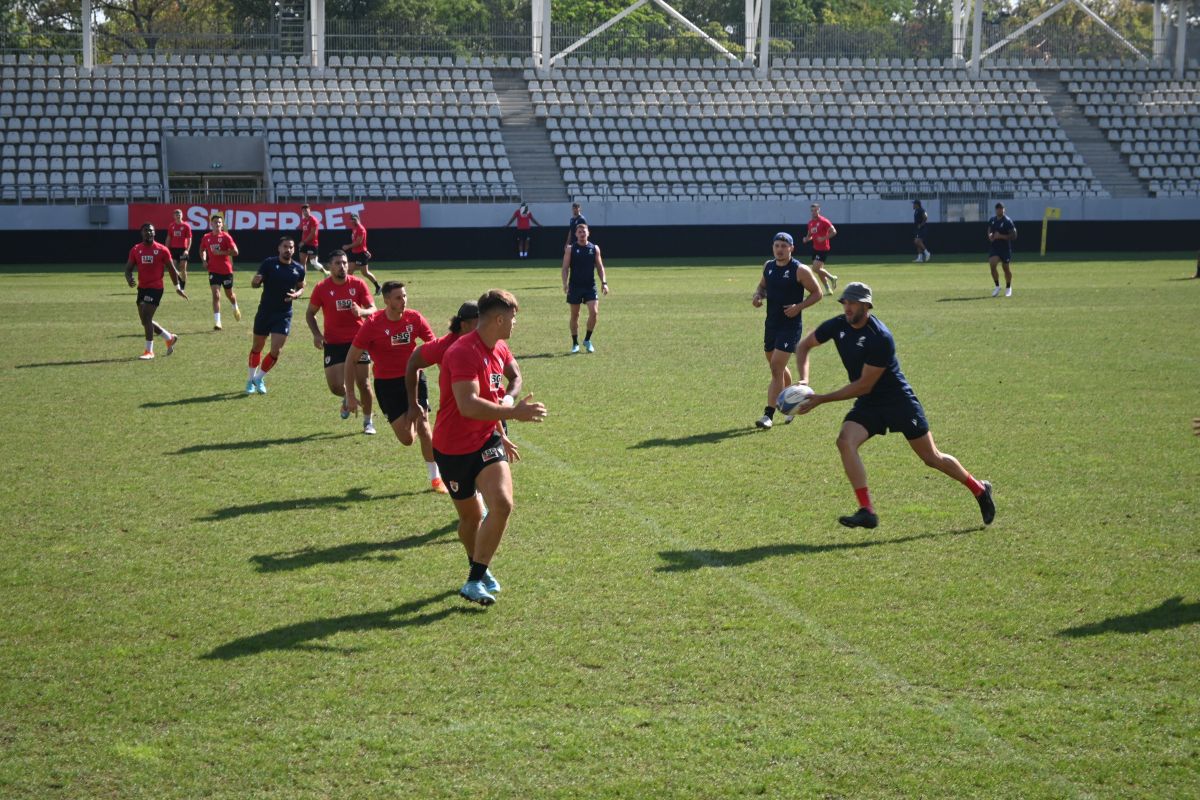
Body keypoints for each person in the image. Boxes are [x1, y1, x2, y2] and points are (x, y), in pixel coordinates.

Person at [794, 281, 995, 529]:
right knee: (845, 441)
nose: (846, 306)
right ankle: (867, 510)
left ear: (866, 305)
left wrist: (822, 399)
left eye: (852, 302)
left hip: (897, 401)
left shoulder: (880, 338)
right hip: (870, 404)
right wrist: (804, 380)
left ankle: (979, 489)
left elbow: (863, 385)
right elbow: (804, 346)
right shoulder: (838, 325)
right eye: (845, 301)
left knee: (931, 458)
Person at [431, 289, 546, 606]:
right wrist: (513, 412)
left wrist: (508, 400)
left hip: (486, 440)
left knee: (503, 504)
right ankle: (477, 567)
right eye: (513, 317)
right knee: (470, 519)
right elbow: (467, 406)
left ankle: (473, 579)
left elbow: (514, 377)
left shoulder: (499, 347)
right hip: (453, 448)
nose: (515, 323)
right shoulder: (462, 352)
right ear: (498, 318)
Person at [344, 281, 447, 492]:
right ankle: (412, 417)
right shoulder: (372, 324)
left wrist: (449, 376)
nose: (404, 301)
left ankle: (436, 479)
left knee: (424, 427)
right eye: (398, 297)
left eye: (405, 296)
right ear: (386, 300)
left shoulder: (414, 318)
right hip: (386, 385)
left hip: (414, 379)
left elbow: (435, 348)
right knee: (407, 439)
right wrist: (350, 395)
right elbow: (350, 360)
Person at [406, 300, 523, 444]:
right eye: (479, 323)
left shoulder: (497, 344)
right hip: (459, 427)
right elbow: (413, 362)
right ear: (464, 325)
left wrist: (507, 400)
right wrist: (412, 403)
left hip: (493, 418)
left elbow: (516, 376)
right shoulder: (445, 346)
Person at [750, 232, 823, 429]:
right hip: (771, 324)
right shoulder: (769, 266)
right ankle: (793, 399)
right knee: (777, 368)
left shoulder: (800, 270)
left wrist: (798, 307)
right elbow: (762, 286)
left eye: (784, 245)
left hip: (790, 326)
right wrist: (758, 296)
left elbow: (818, 293)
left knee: (775, 368)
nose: (779, 249)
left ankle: (768, 415)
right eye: (776, 245)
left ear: (791, 248)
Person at [304, 249, 377, 434]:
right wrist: (316, 334)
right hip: (333, 342)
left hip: (358, 340)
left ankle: (368, 422)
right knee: (336, 386)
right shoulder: (321, 288)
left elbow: (373, 308)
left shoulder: (358, 284)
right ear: (330, 266)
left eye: (344, 263)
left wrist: (362, 312)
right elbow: (310, 313)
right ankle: (347, 397)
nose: (342, 266)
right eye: (337, 263)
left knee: (365, 384)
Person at [246, 236, 307, 394]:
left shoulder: (298, 269)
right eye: (285, 246)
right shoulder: (269, 263)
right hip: (265, 311)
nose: (288, 250)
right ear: (279, 248)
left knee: (276, 351)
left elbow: (302, 286)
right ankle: (250, 380)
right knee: (257, 347)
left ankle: (259, 378)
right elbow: (255, 284)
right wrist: (255, 281)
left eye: (291, 247)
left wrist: (297, 294)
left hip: (284, 314)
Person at [125, 223, 187, 359]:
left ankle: (149, 351)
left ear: (155, 233)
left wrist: (177, 288)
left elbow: (171, 269)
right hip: (142, 288)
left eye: (151, 231)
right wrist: (129, 278)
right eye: (146, 231)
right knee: (145, 320)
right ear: (142, 233)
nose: (148, 233)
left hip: (156, 288)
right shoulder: (136, 250)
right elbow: (128, 268)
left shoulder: (162, 250)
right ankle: (168, 337)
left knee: (147, 318)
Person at [562, 221, 609, 353]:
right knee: (575, 315)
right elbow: (565, 268)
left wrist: (604, 283)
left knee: (594, 313)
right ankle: (575, 343)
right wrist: (565, 284)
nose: (582, 234)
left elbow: (600, 267)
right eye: (579, 232)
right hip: (575, 286)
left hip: (590, 286)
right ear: (576, 234)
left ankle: (587, 340)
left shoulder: (594, 248)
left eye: (584, 231)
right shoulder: (571, 249)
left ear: (588, 233)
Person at [199, 213, 242, 331]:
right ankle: (218, 322)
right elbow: (202, 249)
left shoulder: (226, 237)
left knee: (230, 295)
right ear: (211, 224)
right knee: (216, 295)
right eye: (215, 222)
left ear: (222, 225)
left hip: (226, 270)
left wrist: (222, 253)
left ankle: (235, 306)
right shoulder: (206, 237)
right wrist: (203, 260)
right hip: (213, 270)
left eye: (219, 222)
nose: (217, 224)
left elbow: (236, 252)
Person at [802, 202, 840, 294]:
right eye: (812, 211)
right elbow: (810, 235)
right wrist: (806, 239)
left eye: (815, 210)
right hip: (815, 248)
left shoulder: (824, 221)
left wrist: (824, 238)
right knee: (819, 270)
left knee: (815, 269)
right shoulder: (810, 223)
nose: (814, 212)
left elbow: (834, 232)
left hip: (823, 248)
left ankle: (832, 278)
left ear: (819, 210)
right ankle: (828, 289)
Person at [987, 202, 1018, 297]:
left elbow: (1014, 236)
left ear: (1004, 209)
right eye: (998, 208)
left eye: (1001, 208)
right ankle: (997, 286)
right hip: (995, 248)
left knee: (1006, 268)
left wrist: (1001, 236)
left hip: (1005, 249)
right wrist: (990, 235)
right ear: (995, 210)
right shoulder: (992, 220)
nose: (999, 210)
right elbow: (989, 229)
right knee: (992, 264)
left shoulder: (1007, 221)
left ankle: (1008, 287)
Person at [347, 211, 381, 295]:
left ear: (358, 219)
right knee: (349, 271)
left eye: (354, 219)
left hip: (361, 254)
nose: (353, 221)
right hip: (355, 253)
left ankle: (378, 286)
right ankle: (349, 289)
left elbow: (358, 242)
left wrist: (347, 246)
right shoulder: (354, 228)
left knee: (364, 272)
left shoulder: (360, 229)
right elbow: (361, 242)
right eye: (351, 219)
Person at [298, 204, 328, 276]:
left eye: (306, 210)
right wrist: (302, 241)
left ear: (309, 210)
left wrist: (303, 242)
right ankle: (303, 278)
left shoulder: (313, 220)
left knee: (313, 262)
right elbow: (304, 232)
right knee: (302, 262)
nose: (305, 212)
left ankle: (326, 272)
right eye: (303, 211)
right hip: (304, 244)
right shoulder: (304, 220)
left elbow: (313, 234)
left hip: (312, 244)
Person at [166, 209, 192, 290]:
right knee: (173, 266)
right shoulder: (171, 226)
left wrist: (187, 250)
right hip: (173, 249)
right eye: (176, 215)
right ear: (174, 216)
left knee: (183, 267)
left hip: (183, 249)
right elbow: (169, 238)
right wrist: (166, 249)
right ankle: (179, 280)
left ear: (182, 215)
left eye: (179, 215)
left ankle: (182, 286)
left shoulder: (186, 226)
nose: (178, 216)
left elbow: (189, 239)